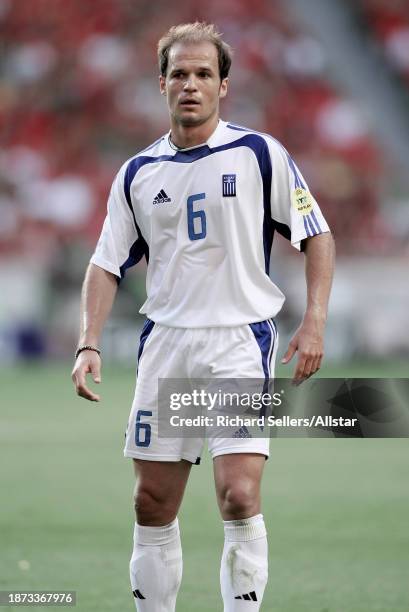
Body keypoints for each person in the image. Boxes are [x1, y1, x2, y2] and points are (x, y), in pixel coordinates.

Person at [71, 22, 335, 612]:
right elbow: (105, 262)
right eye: (180, 74)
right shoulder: (139, 173)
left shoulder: (259, 153)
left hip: (239, 341)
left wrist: (314, 319)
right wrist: (88, 341)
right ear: (161, 83)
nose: (191, 85)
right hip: (166, 344)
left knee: (239, 495)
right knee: (151, 504)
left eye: (204, 75)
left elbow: (316, 234)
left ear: (224, 87)